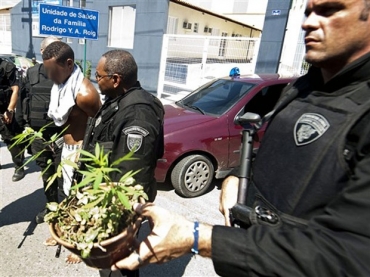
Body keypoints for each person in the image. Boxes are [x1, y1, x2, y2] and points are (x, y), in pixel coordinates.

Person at [110, 0, 370, 276]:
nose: (308, 22)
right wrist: (236, 176)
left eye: (329, 10)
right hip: (256, 259)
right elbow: (277, 151)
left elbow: (349, 254)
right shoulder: (303, 87)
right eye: (307, 12)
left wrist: (198, 238)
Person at [83, 49, 164, 277]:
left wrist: (126, 221)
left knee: (119, 264)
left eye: (99, 76)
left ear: (116, 79)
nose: (96, 80)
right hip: (106, 195)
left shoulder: (138, 113)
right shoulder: (116, 100)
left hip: (120, 203)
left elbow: (132, 175)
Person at [42, 41, 101, 262]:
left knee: (81, 198)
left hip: (81, 153)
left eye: (52, 71)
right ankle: (64, 235)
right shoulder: (60, 85)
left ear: (68, 64)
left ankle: (78, 244)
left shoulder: (85, 93)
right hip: (66, 148)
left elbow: (100, 126)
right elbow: (66, 124)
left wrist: (83, 154)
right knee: (67, 196)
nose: (49, 77)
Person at [16, 36, 62, 224]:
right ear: (42, 52)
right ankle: (51, 205)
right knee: (47, 172)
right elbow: (22, 101)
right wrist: (22, 127)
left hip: (63, 134)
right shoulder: (31, 73)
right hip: (38, 135)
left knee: (67, 173)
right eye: (51, 49)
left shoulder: (69, 72)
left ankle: (68, 208)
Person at [0, 56, 25, 181]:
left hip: (4, 110)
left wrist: (10, 110)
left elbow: (16, 89)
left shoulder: (6, 67)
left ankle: (19, 166)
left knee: (11, 140)